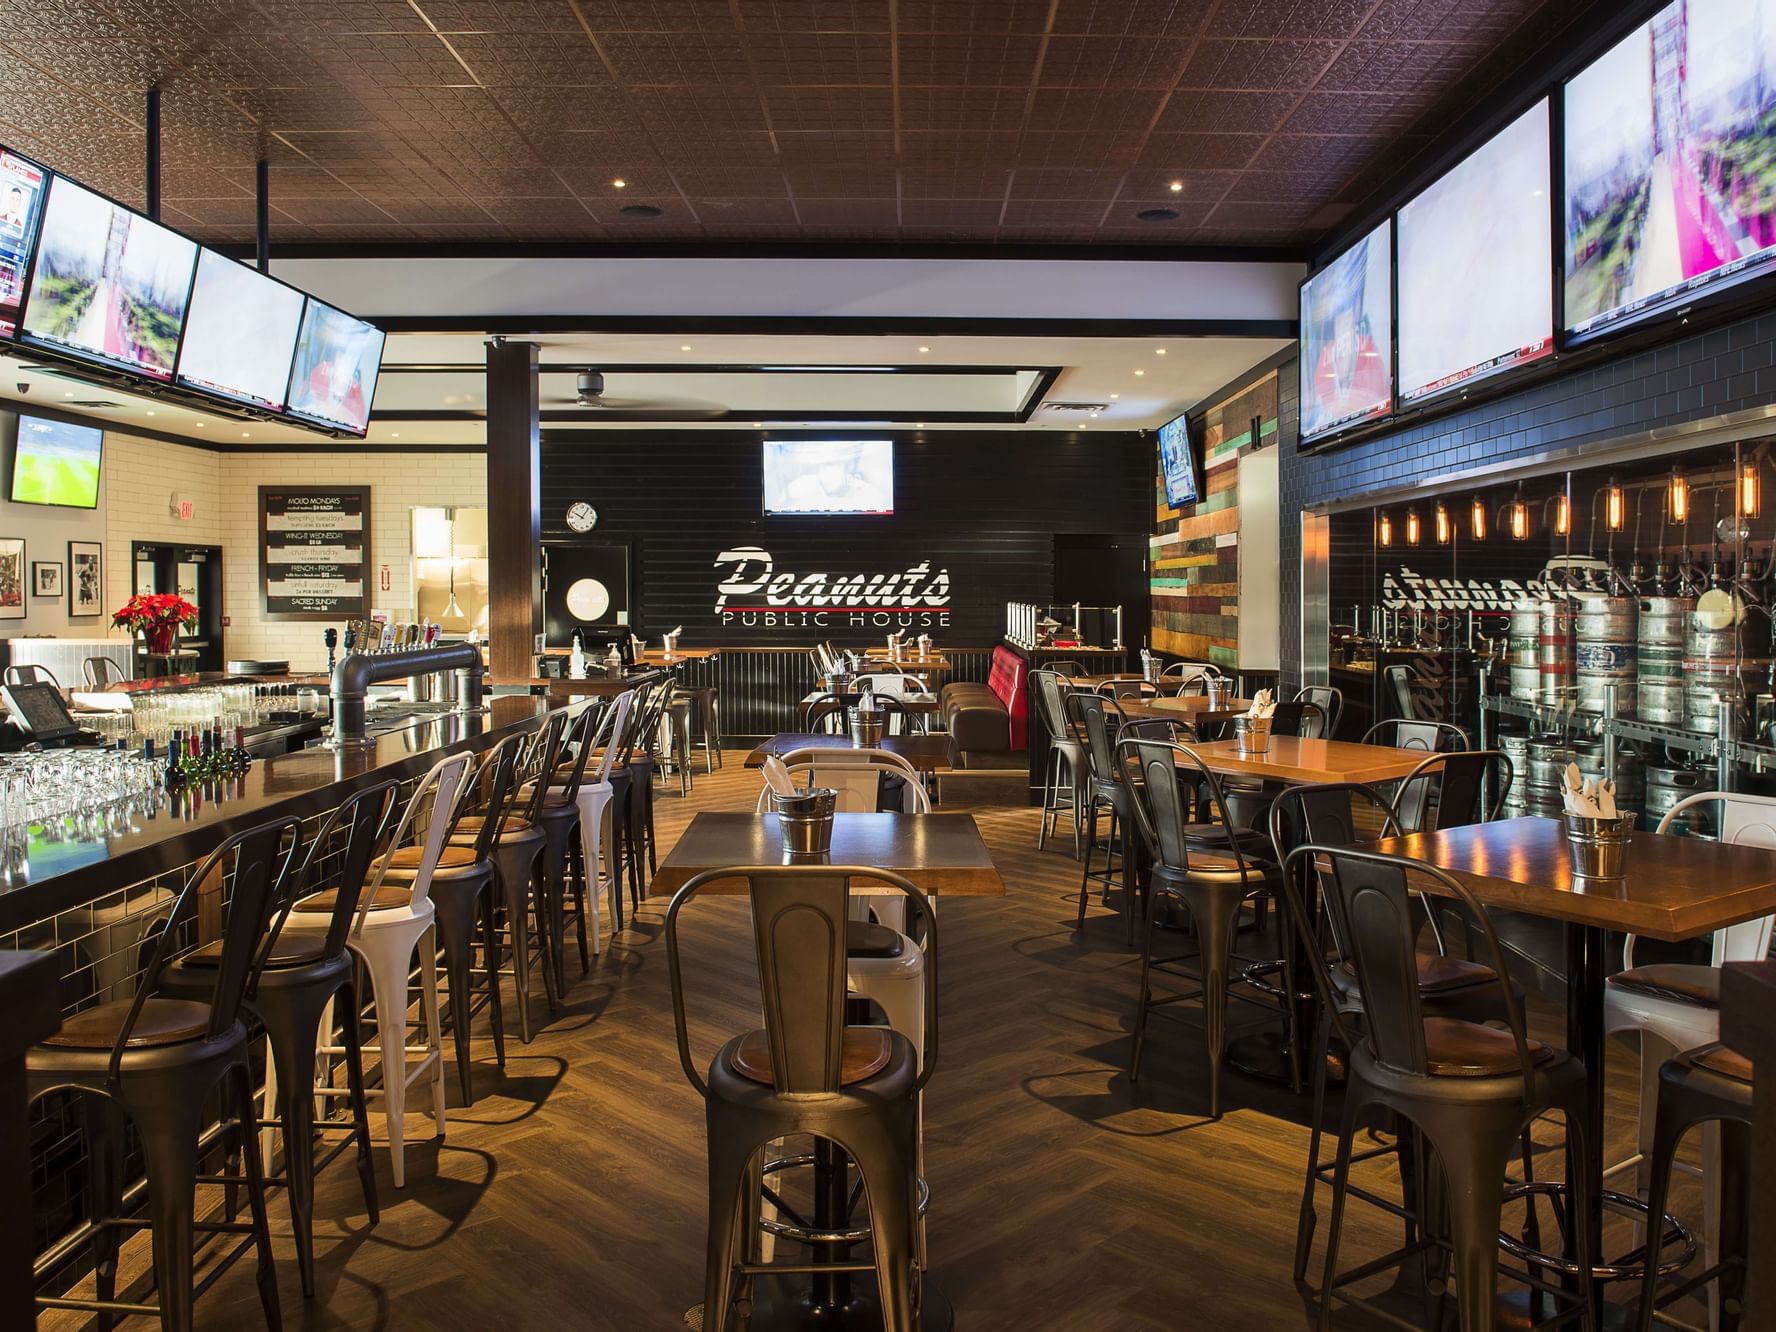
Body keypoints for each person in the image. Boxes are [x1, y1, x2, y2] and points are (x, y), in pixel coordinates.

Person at [1309, 236, 1389, 432]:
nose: (1343, 324)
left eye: (1347, 315)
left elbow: (1380, 403)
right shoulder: (1325, 364)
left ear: (1355, 314)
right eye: (1338, 318)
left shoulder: (1368, 351)